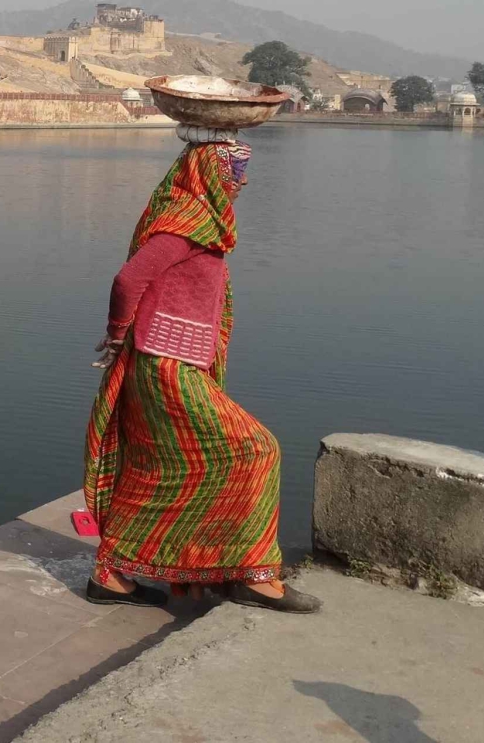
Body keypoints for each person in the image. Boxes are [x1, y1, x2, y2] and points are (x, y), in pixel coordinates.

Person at [82, 133, 320, 614]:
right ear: (209, 173)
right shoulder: (185, 221)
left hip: (174, 358)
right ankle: (251, 575)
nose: (243, 180)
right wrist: (116, 334)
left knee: (164, 467)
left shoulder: (199, 217)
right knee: (255, 449)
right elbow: (129, 279)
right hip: (165, 364)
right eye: (234, 170)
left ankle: (111, 573)